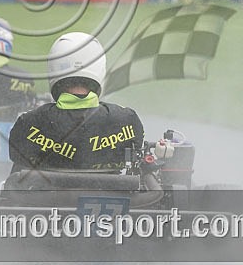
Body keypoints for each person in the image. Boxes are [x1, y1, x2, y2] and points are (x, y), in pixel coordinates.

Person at [8, 32, 144, 173]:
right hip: (107, 193)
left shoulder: (29, 123)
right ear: (99, 68)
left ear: (54, 68)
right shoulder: (127, 120)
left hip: (52, 194)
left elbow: (18, 168)